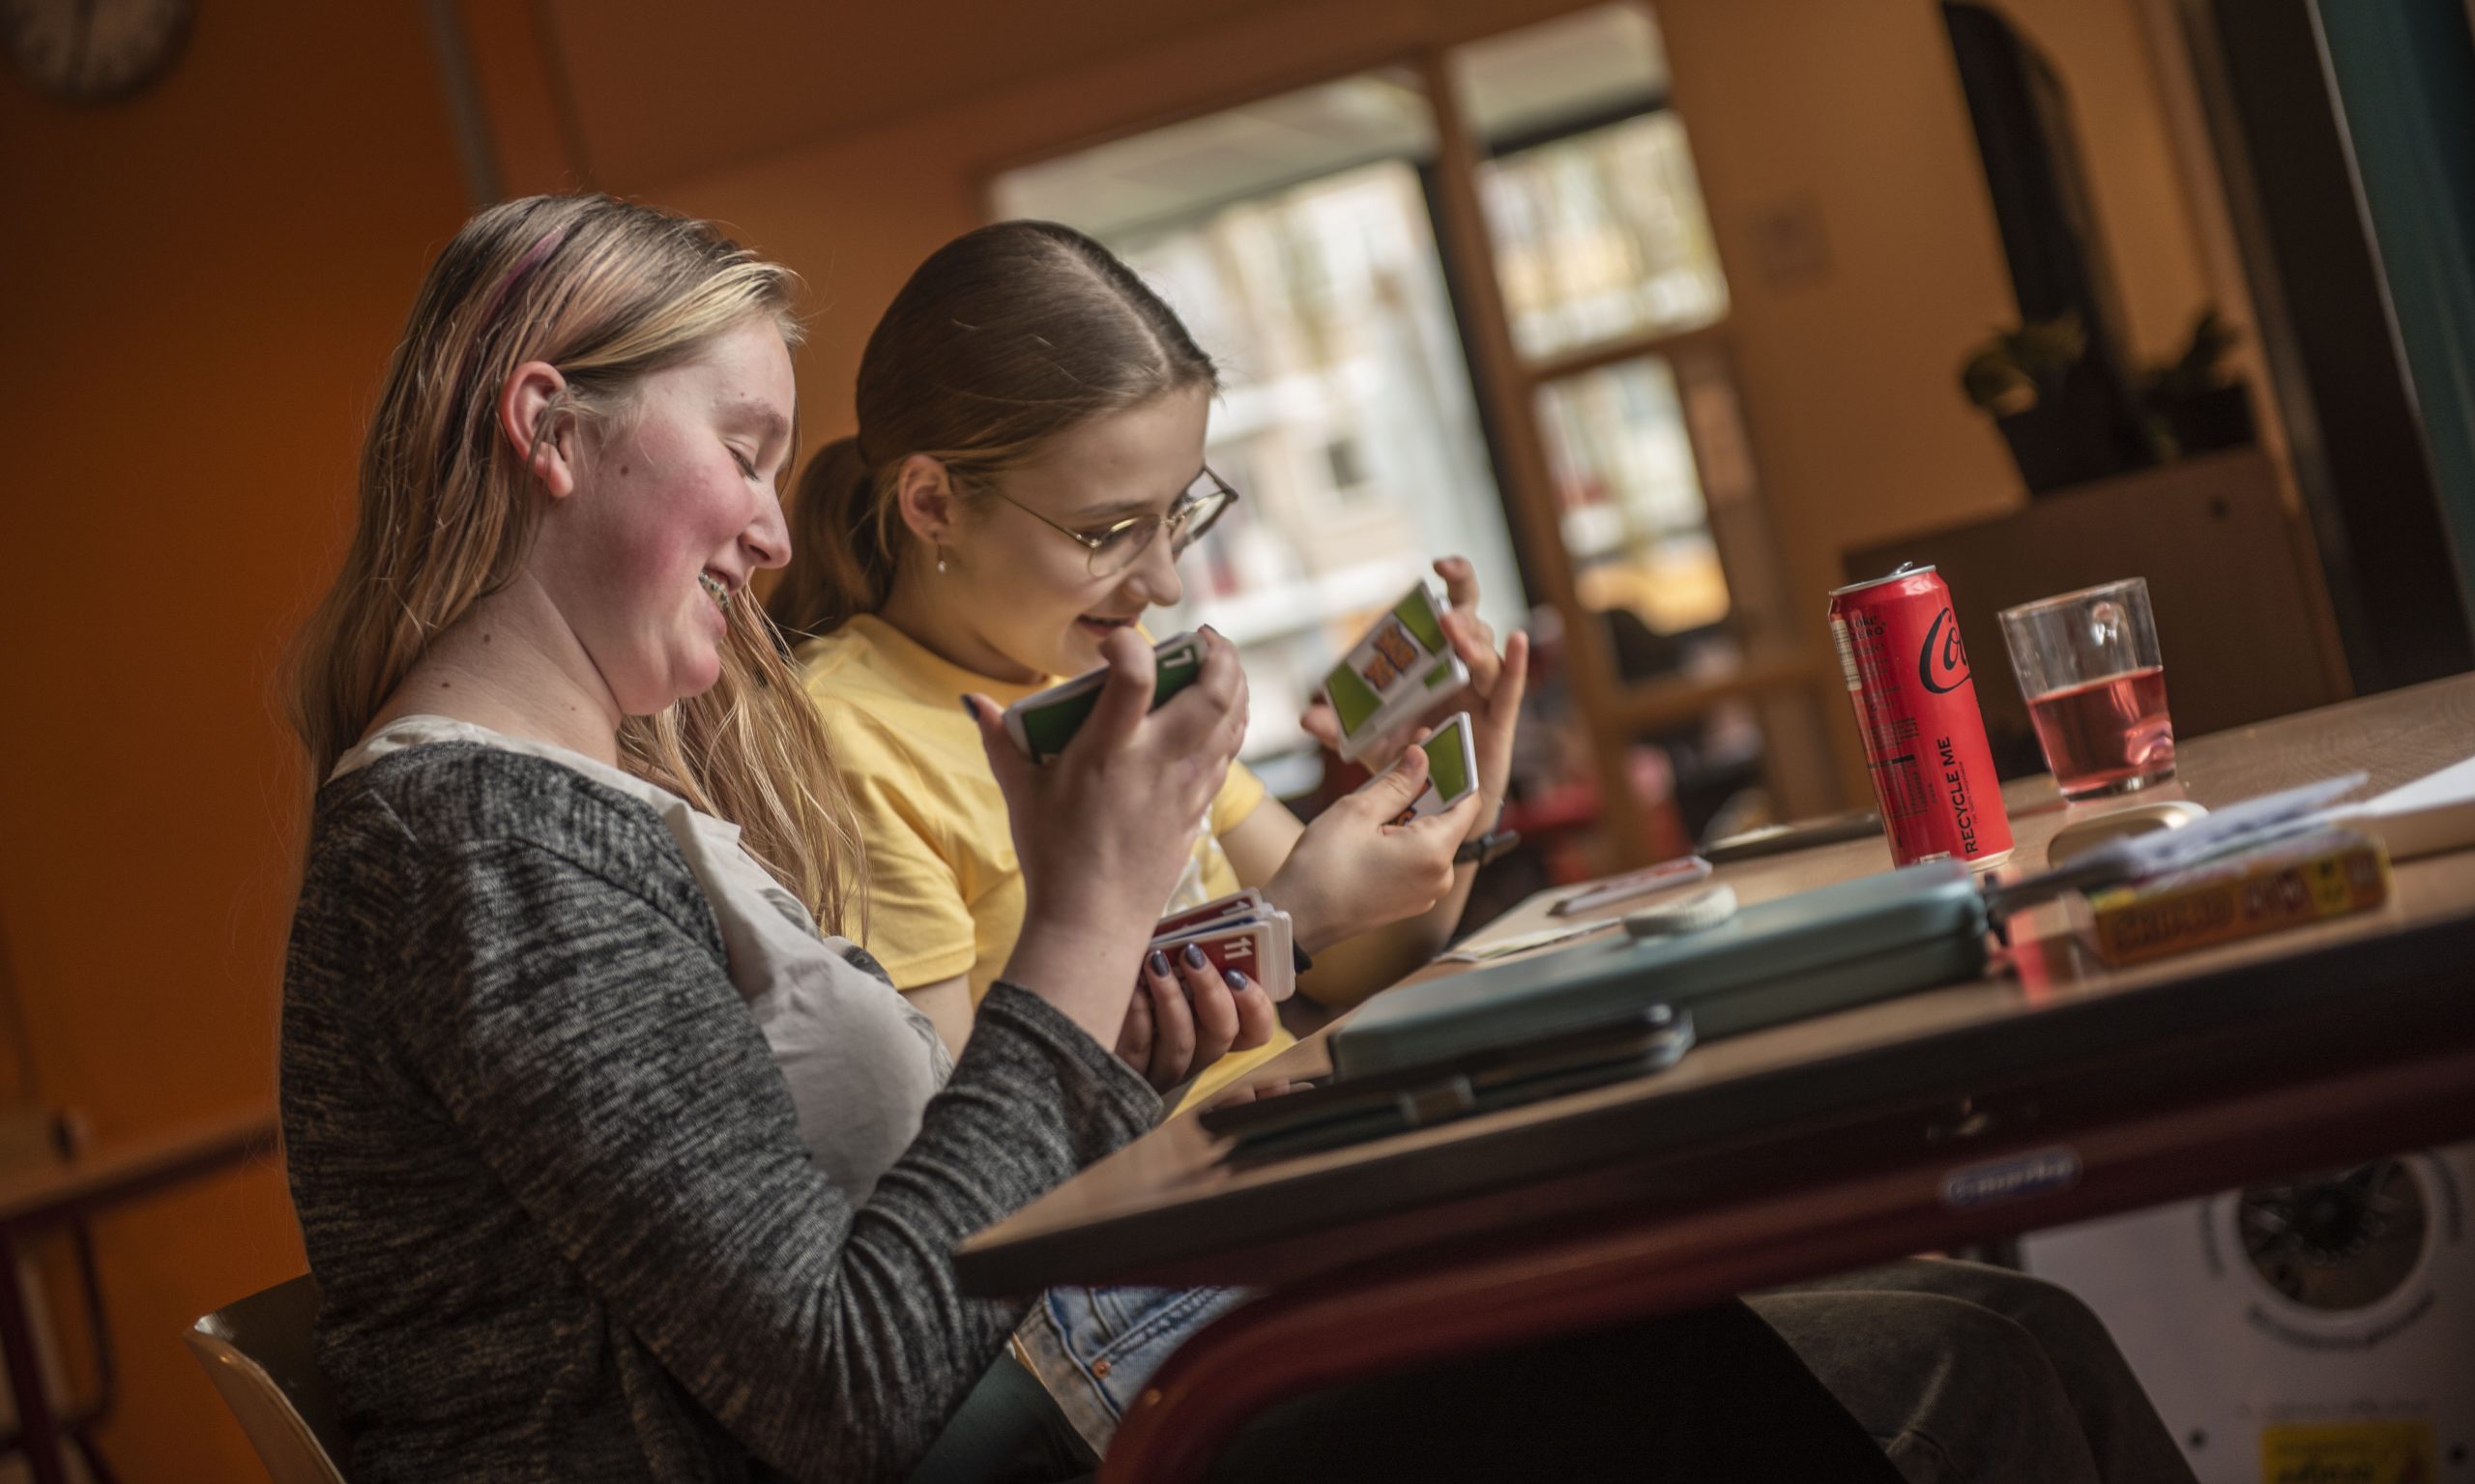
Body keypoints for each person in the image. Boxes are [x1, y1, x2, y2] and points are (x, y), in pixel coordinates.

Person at [280, 192, 2191, 1484]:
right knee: (1935, 1367)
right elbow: (843, 1380)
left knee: (1889, 1338)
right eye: (750, 446)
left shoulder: (589, 798)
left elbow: (892, 1231)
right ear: (549, 427)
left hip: (1104, 1382)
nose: (781, 530)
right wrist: (1092, 917)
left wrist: (1148, 980)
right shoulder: (474, 838)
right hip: (1078, 1420)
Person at [770, 220, 1523, 1105]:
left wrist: (1442, 783)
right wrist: (1285, 921)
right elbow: (972, 1143)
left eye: (1177, 515)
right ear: (933, 502)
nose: (1164, 582)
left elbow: (1364, 957)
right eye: (1106, 532)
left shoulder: (1098, 680)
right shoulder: (844, 745)